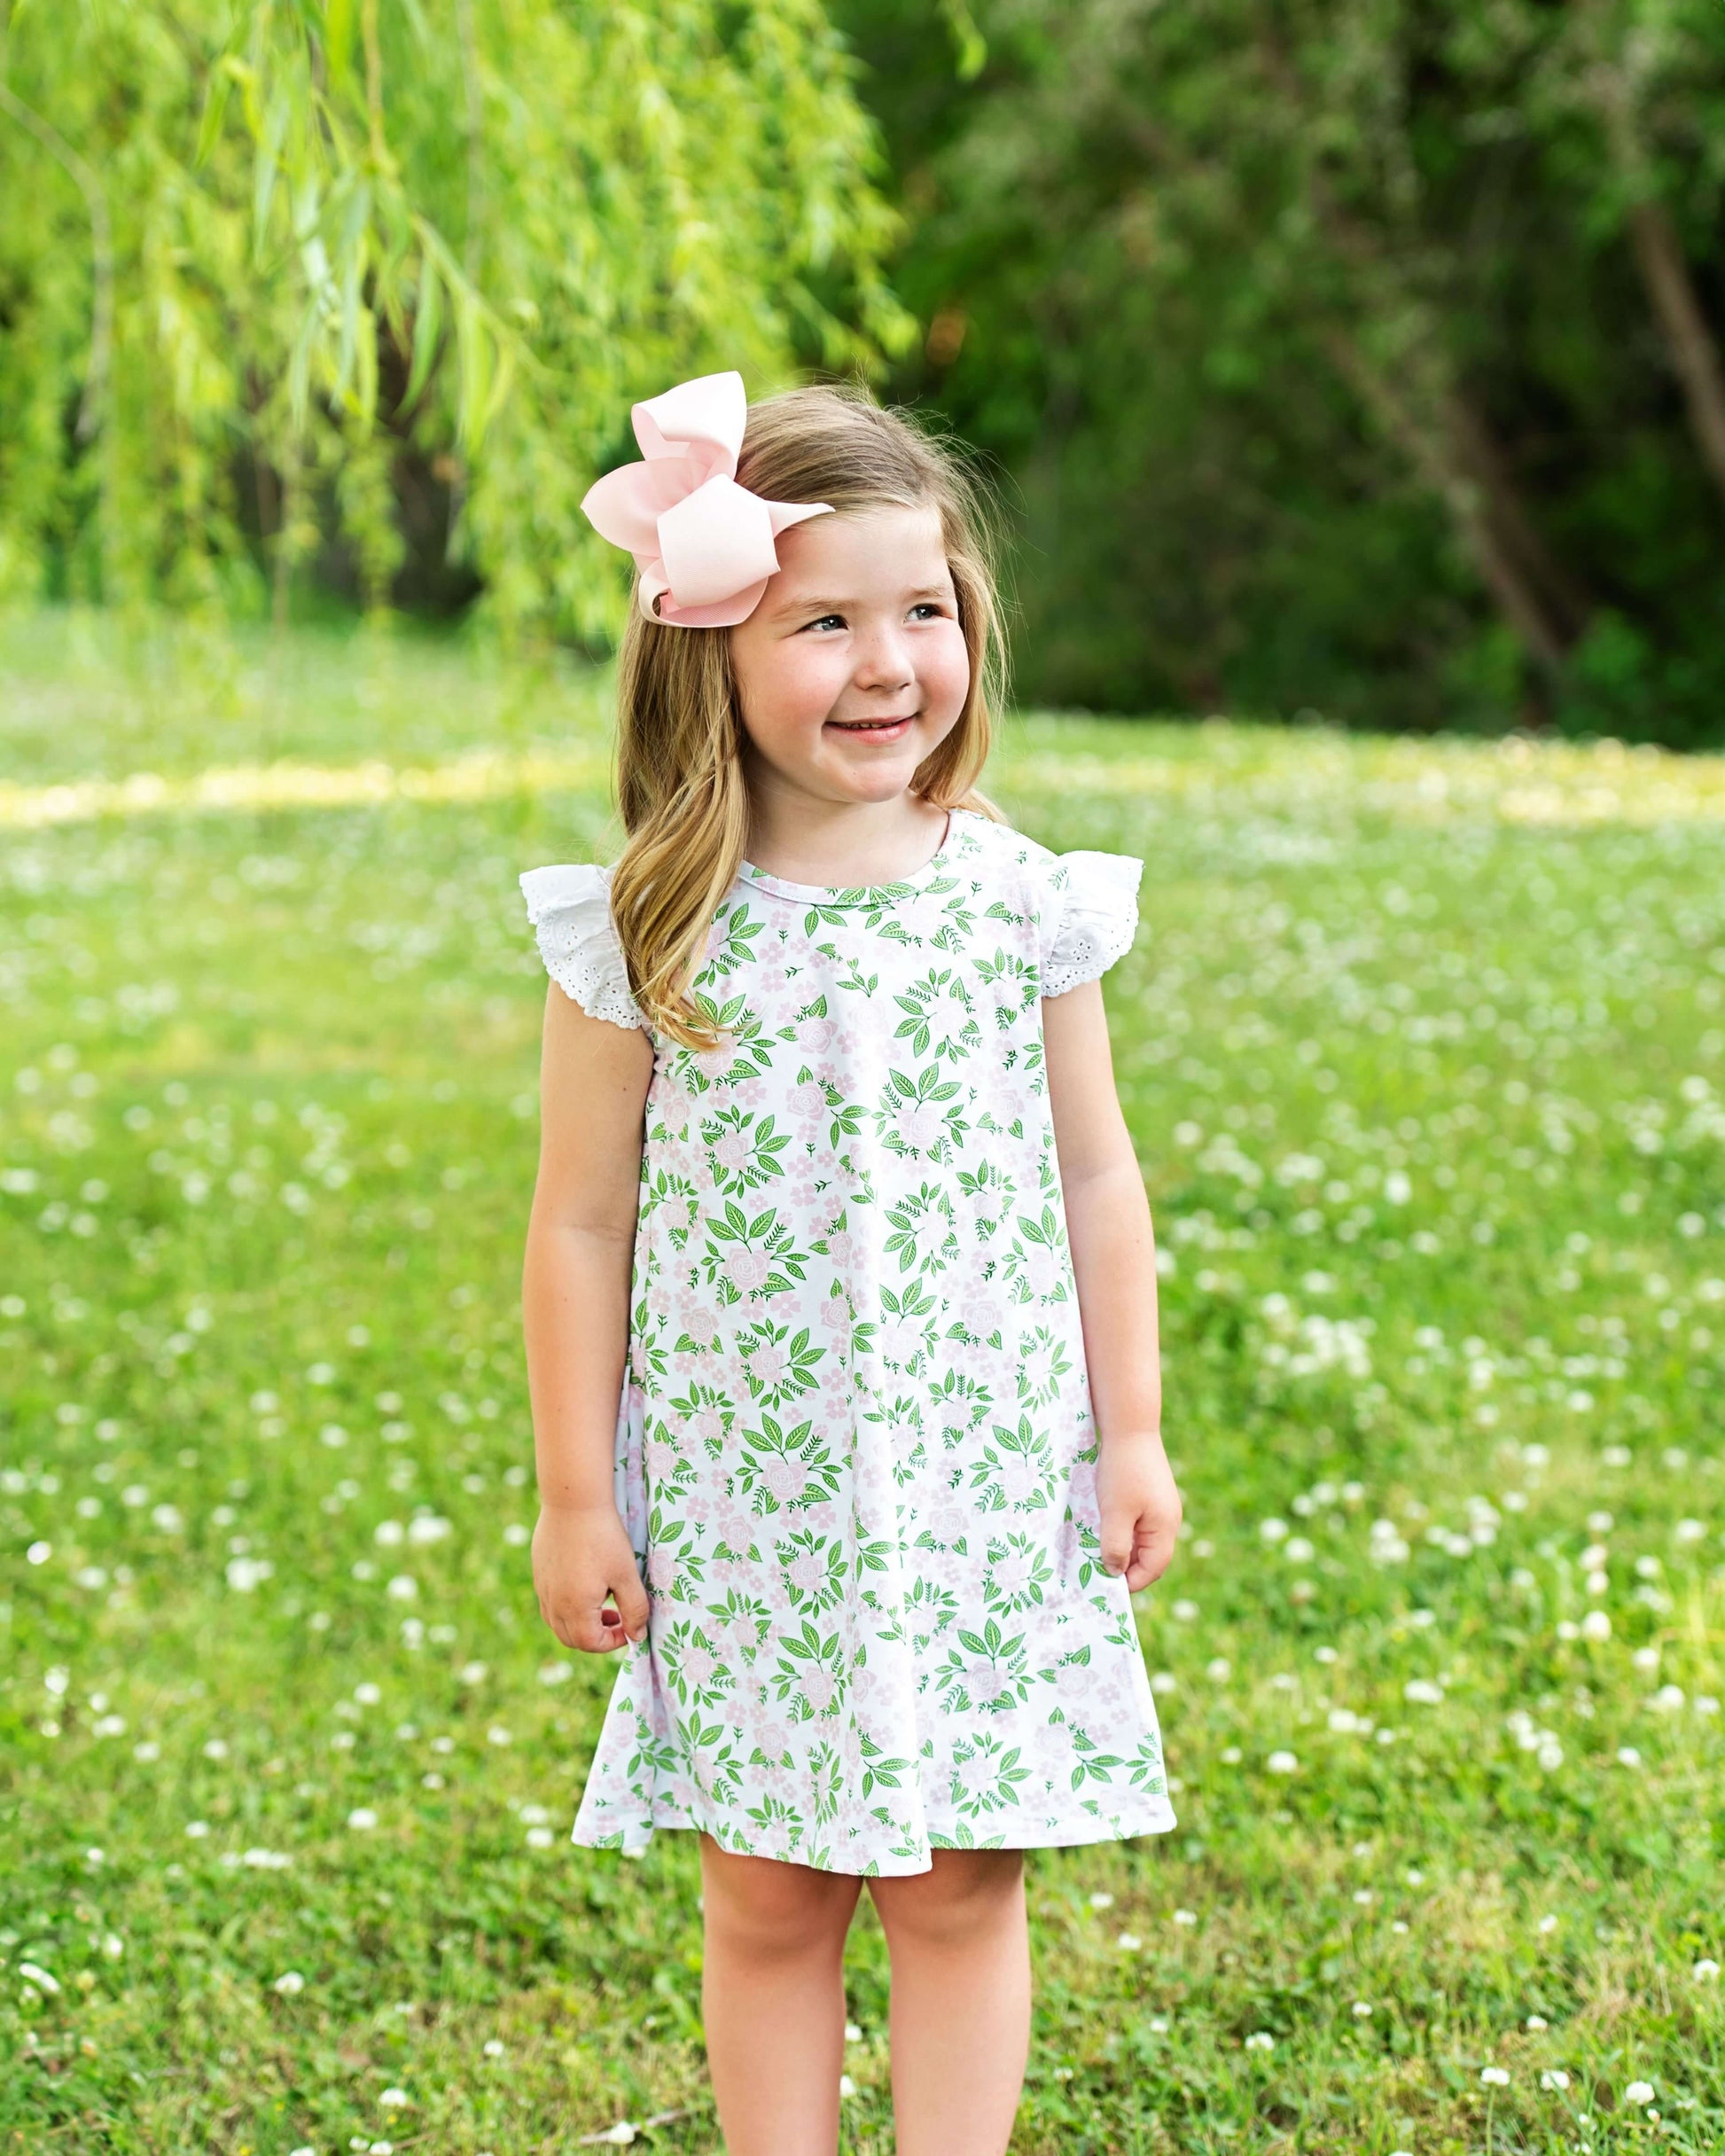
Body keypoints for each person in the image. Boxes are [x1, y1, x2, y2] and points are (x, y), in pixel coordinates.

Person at [518, 370, 1183, 2156]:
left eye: (924, 610)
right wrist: (578, 1493)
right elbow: (579, 1222)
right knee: (770, 1889)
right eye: (826, 620)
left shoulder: (1016, 897)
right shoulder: (653, 924)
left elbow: (1094, 1169)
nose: (888, 660)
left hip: (983, 1475)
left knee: (964, 1882)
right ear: (710, 651)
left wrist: (1131, 1429)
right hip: (755, 1501)